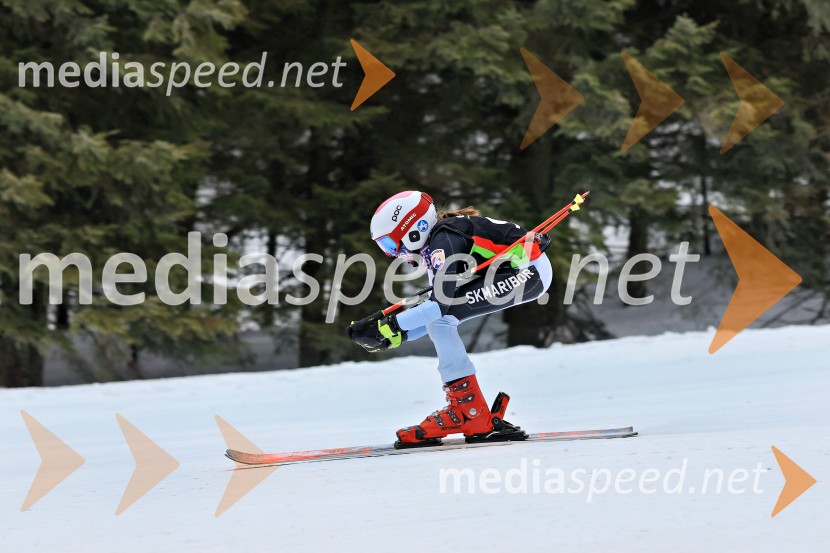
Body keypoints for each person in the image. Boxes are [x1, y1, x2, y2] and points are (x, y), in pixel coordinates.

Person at [347, 190, 553, 448]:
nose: (392, 253)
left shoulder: (444, 240)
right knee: (441, 321)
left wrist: (391, 327)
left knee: (442, 318)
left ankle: (469, 412)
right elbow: (436, 307)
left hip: (529, 273)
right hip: (522, 270)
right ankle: (469, 410)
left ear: (414, 229)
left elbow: (438, 305)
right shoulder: (438, 241)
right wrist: (397, 334)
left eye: (391, 244)